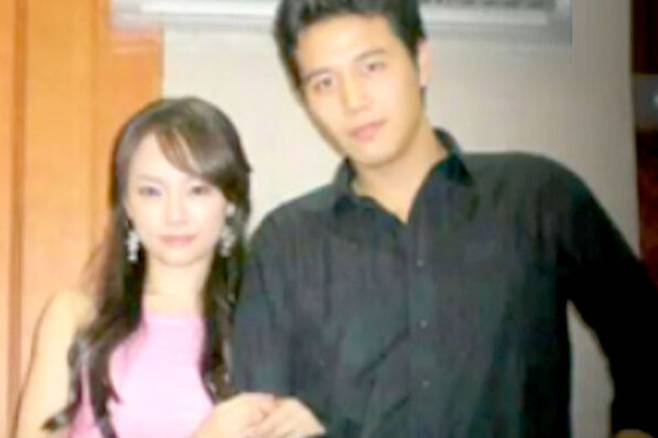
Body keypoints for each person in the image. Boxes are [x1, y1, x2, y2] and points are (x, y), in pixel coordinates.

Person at [232, 1, 658, 437]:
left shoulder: (537, 197)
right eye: (324, 82)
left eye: (372, 67)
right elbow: (259, 419)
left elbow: (644, 335)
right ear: (305, 100)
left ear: (421, 62)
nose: (353, 100)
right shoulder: (284, 244)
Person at [14, 97, 323, 438]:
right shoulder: (77, 318)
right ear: (127, 205)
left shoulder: (272, 322)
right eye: (152, 192)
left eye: (197, 190)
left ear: (230, 203)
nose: (175, 215)